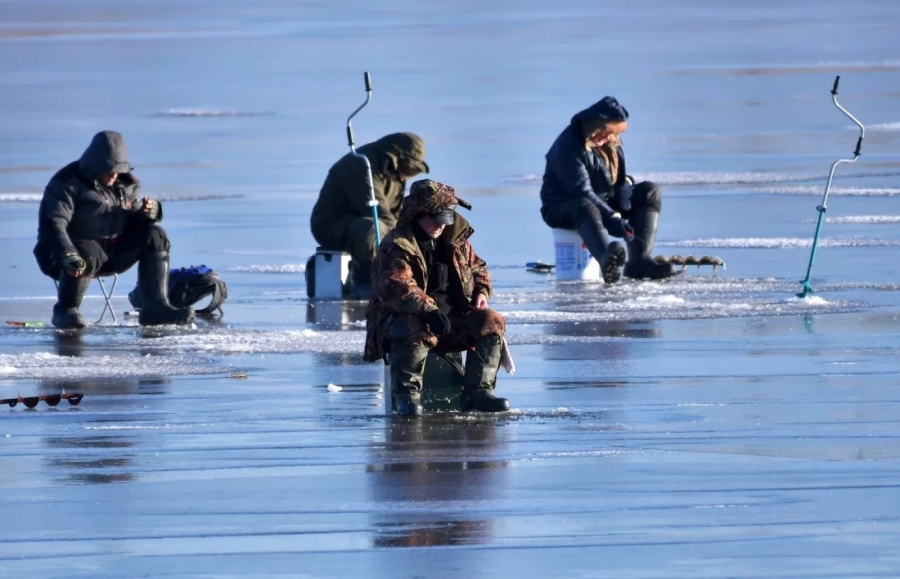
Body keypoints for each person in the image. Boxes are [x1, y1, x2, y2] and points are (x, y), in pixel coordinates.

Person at [363, 179, 510, 417]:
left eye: (445, 219)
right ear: (418, 214)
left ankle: (478, 393)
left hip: (451, 321)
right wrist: (430, 311)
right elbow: (398, 286)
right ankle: (407, 398)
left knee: (490, 320)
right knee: (413, 326)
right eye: (435, 219)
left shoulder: (455, 239)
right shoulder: (398, 245)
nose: (440, 226)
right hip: (403, 321)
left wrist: (481, 291)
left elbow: (478, 268)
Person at [33, 130, 195, 329]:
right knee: (87, 251)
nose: (113, 176)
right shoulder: (67, 183)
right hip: (64, 257)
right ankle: (66, 310)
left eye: (117, 171)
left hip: (110, 253)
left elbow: (133, 219)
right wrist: (67, 253)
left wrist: (151, 212)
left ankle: (155, 308)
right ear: (95, 166)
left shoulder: (126, 184)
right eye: (108, 171)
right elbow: (52, 224)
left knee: (156, 236)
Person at [540, 96, 677, 283]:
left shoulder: (610, 142)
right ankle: (606, 259)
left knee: (648, 191)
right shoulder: (568, 146)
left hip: (602, 199)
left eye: (612, 134)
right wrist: (612, 217)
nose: (606, 138)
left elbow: (616, 175)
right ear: (593, 126)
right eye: (604, 132)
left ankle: (639, 261)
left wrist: (625, 187)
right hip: (561, 206)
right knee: (585, 205)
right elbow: (581, 191)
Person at [310, 132, 430, 299]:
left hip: (368, 222)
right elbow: (377, 211)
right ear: (395, 158)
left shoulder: (390, 170)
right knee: (373, 229)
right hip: (332, 226)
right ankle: (366, 282)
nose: (406, 176)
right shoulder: (360, 165)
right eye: (407, 169)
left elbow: (396, 213)